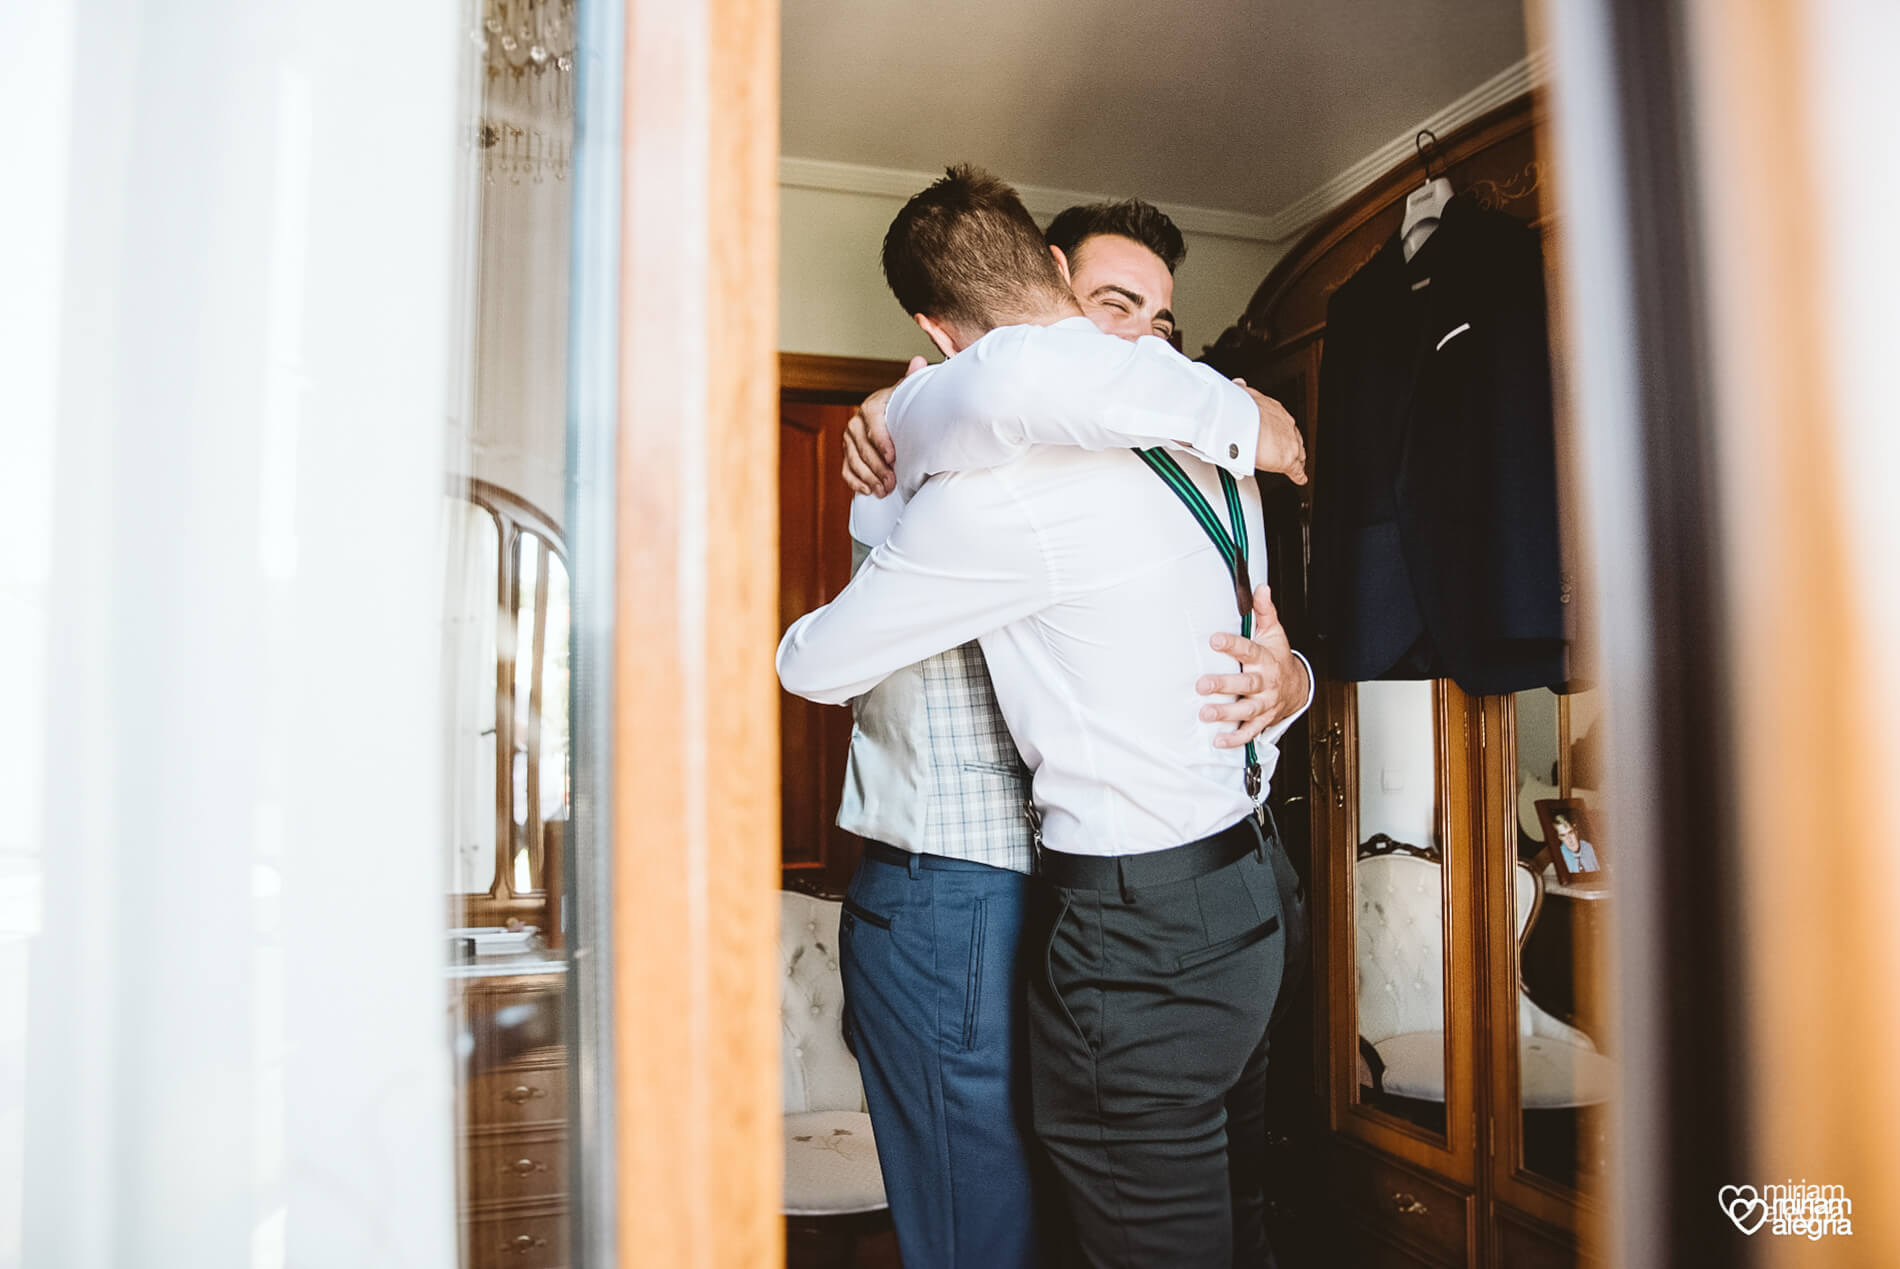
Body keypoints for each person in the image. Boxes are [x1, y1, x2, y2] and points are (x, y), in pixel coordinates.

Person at [778, 165, 1313, 1268]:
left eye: (1164, 324)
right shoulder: (1215, 448)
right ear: (1058, 289)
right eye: (1116, 313)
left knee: (1142, 1228)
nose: (1145, 351)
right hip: (1234, 896)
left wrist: (1293, 676)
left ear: (944, 326)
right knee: (1212, 1203)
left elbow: (813, 667)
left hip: (1145, 921)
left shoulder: (1019, 487)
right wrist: (895, 412)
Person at [1553, 807, 1600, 874]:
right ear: (1559, 837)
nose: (1569, 840)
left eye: (1570, 832)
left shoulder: (1589, 848)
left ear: (1576, 831)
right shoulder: (1559, 857)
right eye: (1563, 835)